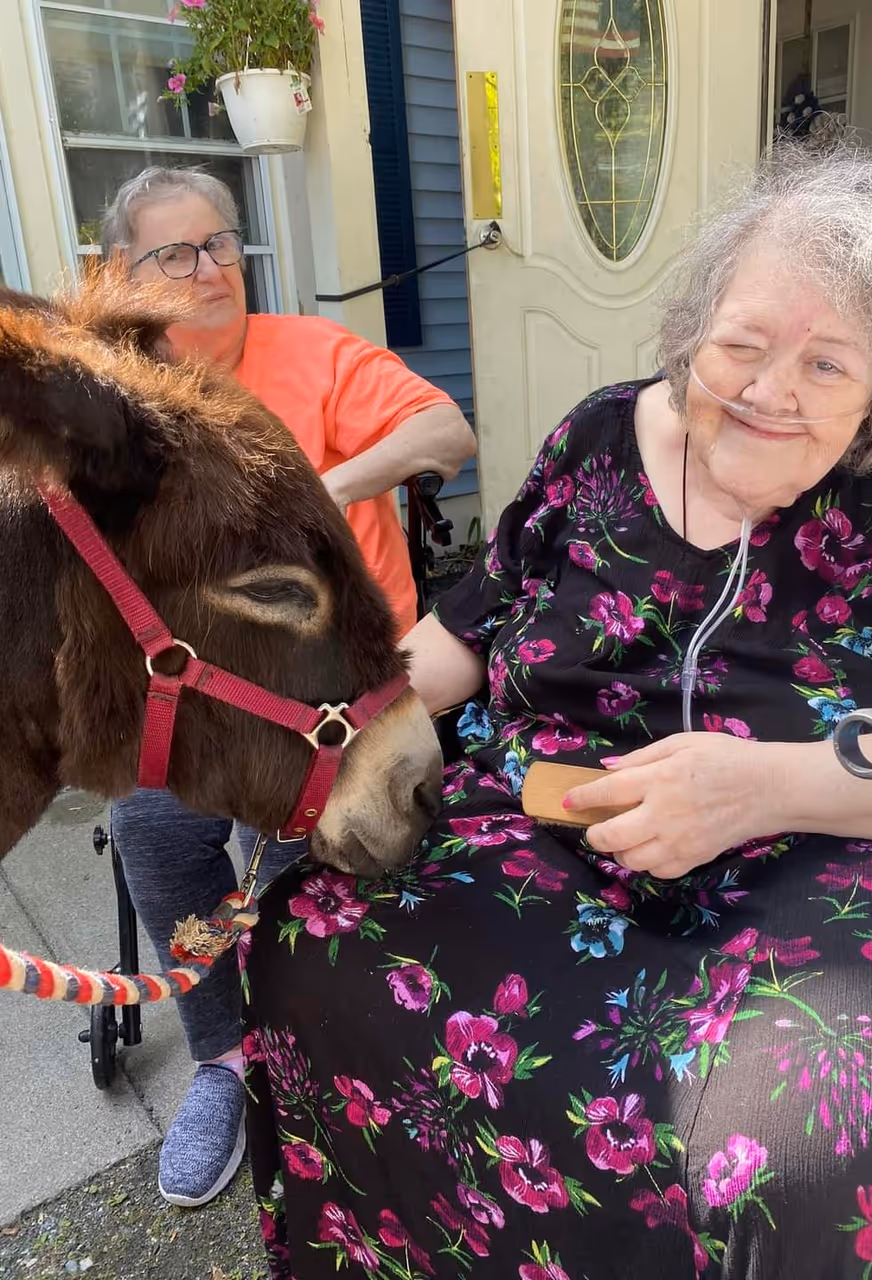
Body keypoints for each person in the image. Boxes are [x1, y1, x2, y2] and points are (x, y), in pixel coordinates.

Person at [240, 146, 872, 1279]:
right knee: (309, 936)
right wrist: (309, 719)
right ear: (692, 327)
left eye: (829, 363)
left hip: (821, 844)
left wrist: (765, 783)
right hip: (545, 812)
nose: (771, 390)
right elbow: (458, 638)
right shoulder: (596, 439)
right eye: (744, 343)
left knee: (801, 1128)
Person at [101, 166, 475, 1208]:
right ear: (121, 276)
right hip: (202, 695)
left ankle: (335, 1041)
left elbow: (448, 431)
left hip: (345, 689)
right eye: (173, 253)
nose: (208, 268)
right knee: (155, 829)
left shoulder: (311, 353)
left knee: (321, 875)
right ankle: (224, 1054)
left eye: (221, 243)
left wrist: (322, 487)